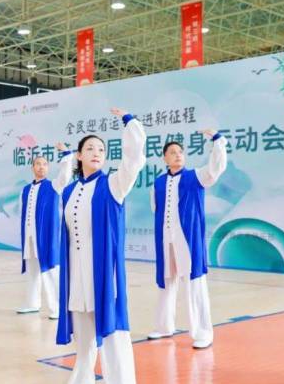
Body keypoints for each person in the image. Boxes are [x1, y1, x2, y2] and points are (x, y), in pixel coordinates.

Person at [56, 108, 146, 384]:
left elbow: (134, 160)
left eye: (101, 149)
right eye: (90, 148)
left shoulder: (114, 184)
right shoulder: (69, 191)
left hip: (104, 274)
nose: (96, 152)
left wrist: (130, 122)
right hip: (76, 277)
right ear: (79, 155)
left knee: (113, 337)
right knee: (84, 343)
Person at [147, 130, 227, 350]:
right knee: (166, 281)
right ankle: (164, 327)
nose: (178, 155)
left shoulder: (196, 176)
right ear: (164, 158)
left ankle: (203, 333)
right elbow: (156, 209)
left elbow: (216, 168)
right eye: (173, 152)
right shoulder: (158, 183)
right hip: (166, 238)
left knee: (194, 282)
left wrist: (218, 141)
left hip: (187, 239)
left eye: (180, 152)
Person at [15, 143, 73, 319]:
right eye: (38, 164)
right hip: (29, 237)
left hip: (47, 237)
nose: (41, 167)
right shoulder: (25, 190)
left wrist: (66, 155)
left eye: (45, 164)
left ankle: (57, 308)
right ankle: (32, 303)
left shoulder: (54, 185)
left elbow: (65, 176)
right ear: (32, 167)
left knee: (50, 271)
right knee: (32, 271)